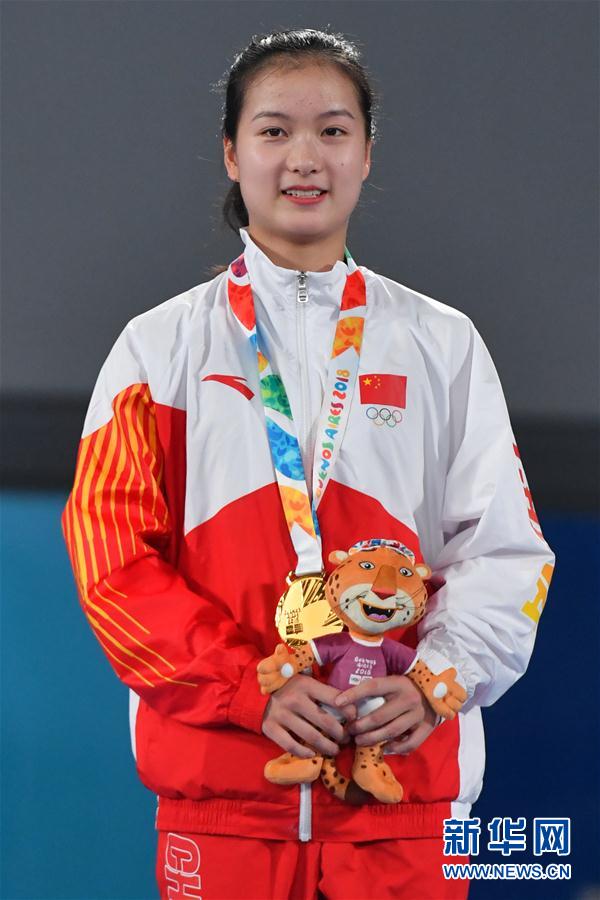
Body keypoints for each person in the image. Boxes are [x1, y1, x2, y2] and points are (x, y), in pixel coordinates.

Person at [61, 27, 555, 900]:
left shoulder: (442, 344)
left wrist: (435, 684)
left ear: (366, 154)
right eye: (274, 130)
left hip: (404, 805)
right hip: (226, 804)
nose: (304, 157)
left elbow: (504, 550)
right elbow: (113, 563)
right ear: (231, 153)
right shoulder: (156, 349)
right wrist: (244, 690)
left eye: (332, 130)